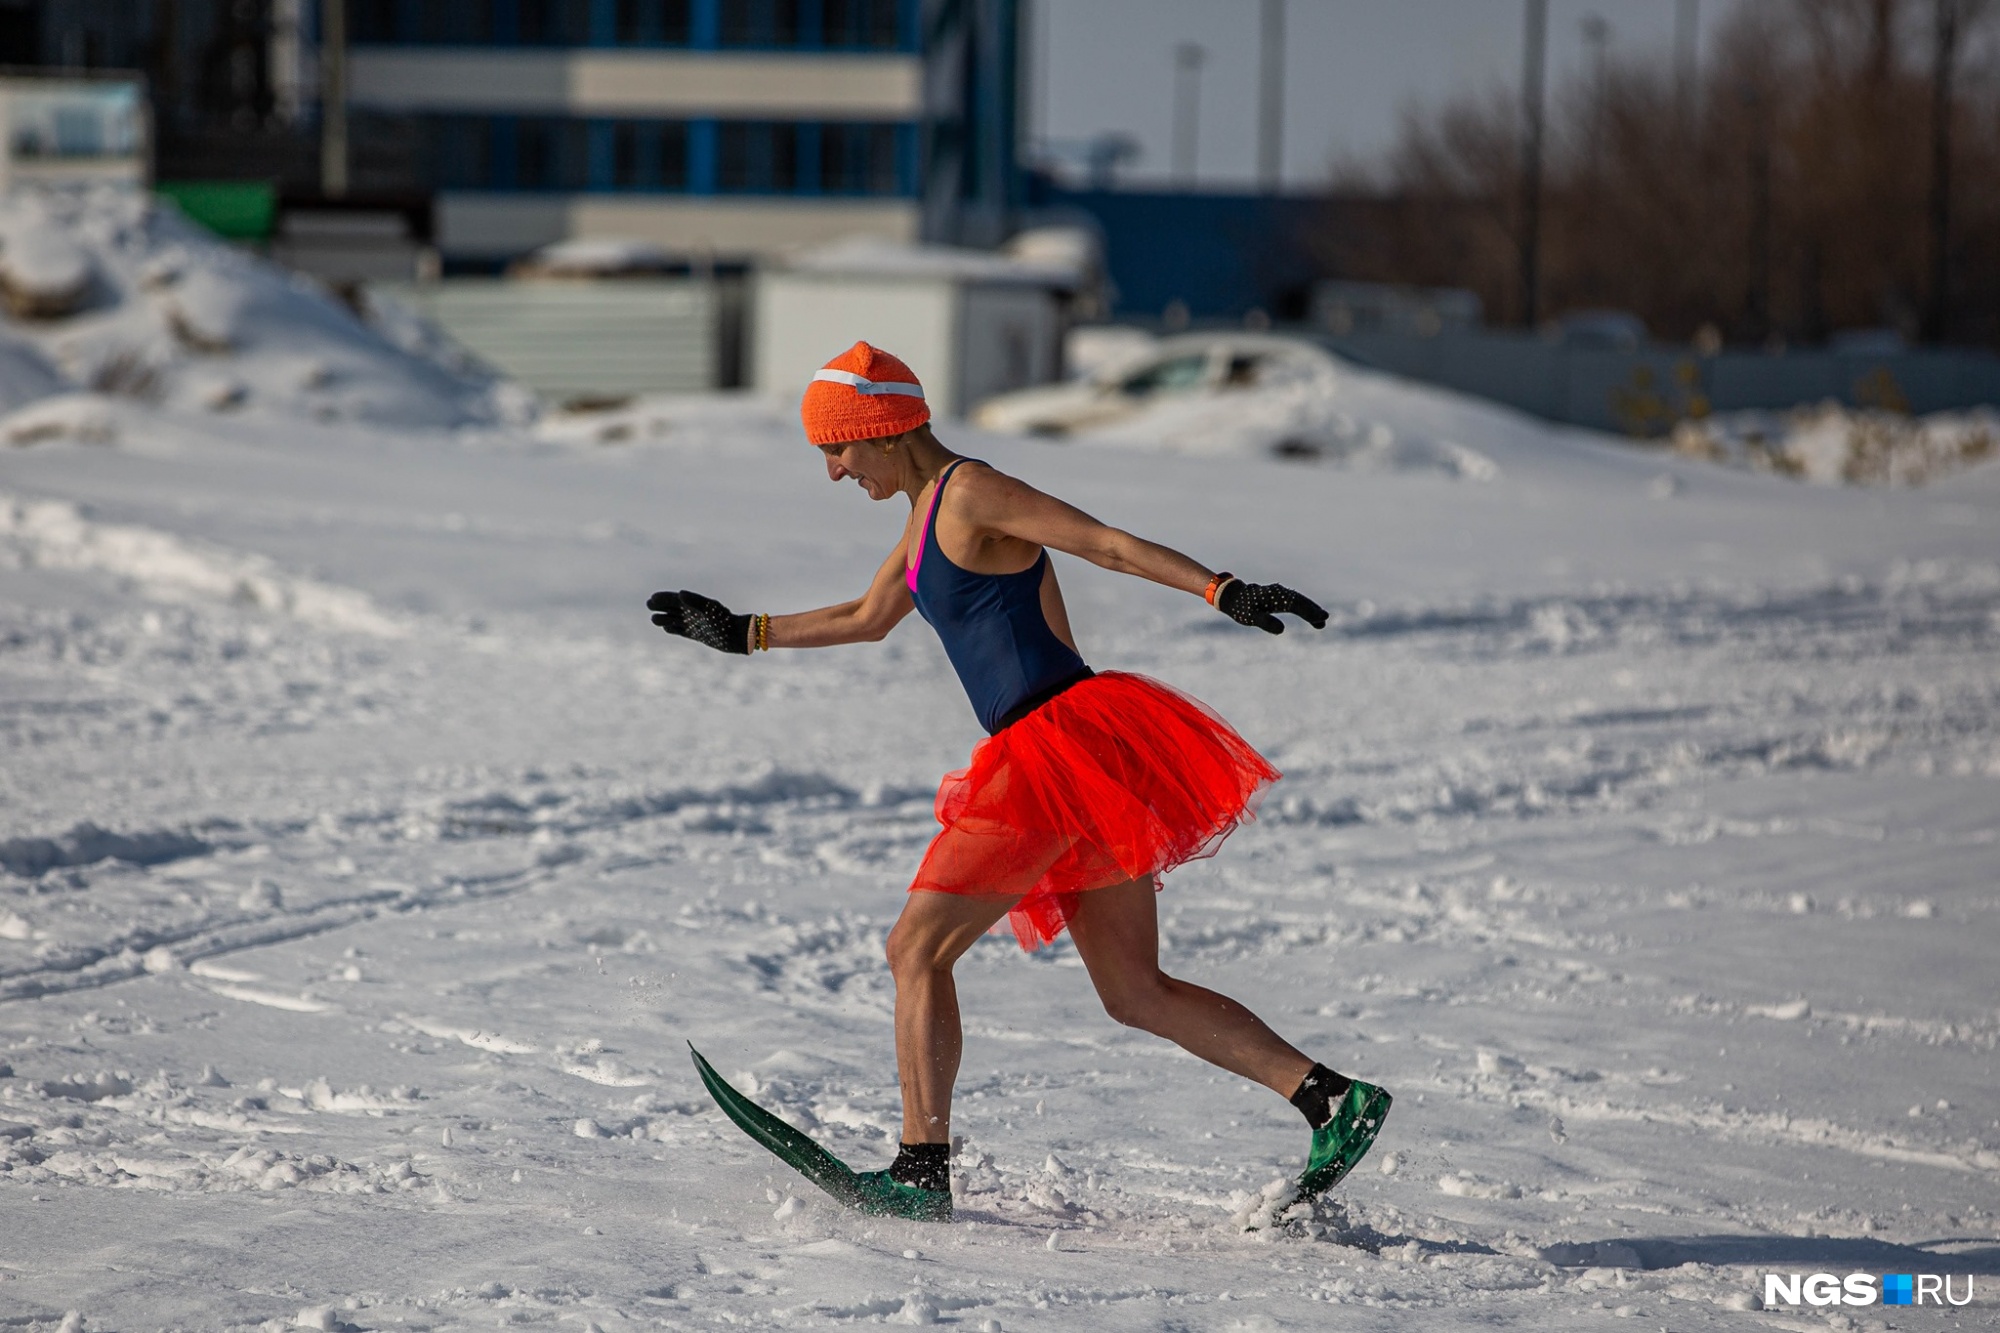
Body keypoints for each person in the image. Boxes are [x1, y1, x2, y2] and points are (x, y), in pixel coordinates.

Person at [649, 342, 1389, 1222]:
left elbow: (1104, 543)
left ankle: (921, 1171)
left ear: (882, 431)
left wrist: (1219, 589)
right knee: (1134, 990)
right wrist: (739, 630)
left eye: (837, 450)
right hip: (1074, 761)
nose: (834, 471)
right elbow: (865, 616)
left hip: (1054, 749)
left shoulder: (971, 492)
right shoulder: (923, 522)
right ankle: (1327, 1097)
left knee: (915, 949)